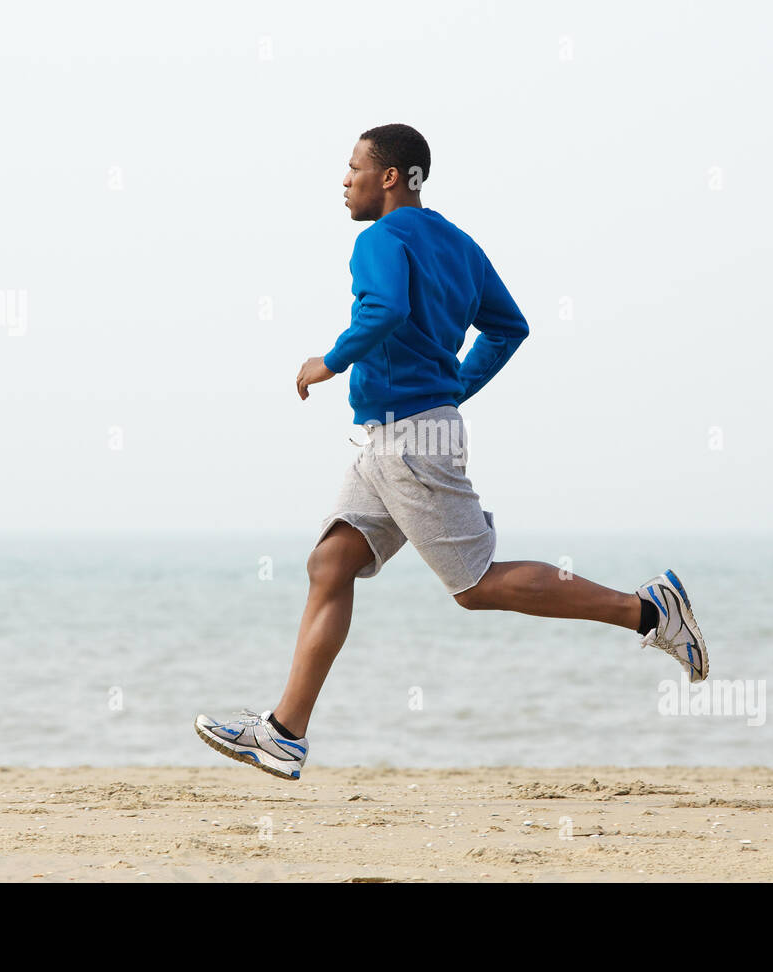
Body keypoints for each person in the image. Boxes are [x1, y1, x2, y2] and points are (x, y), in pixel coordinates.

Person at [195, 124, 707, 780]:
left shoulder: (377, 238)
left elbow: (381, 310)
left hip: (409, 439)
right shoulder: (459, 245)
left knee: (476, 584)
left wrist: (328, 362)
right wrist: (453, 389)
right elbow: (508, 326)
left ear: (389, 177)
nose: (343, 180)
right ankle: (284, 732)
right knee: (331, 562)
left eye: (352, 167)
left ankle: (650, 611)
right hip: (397, 435)